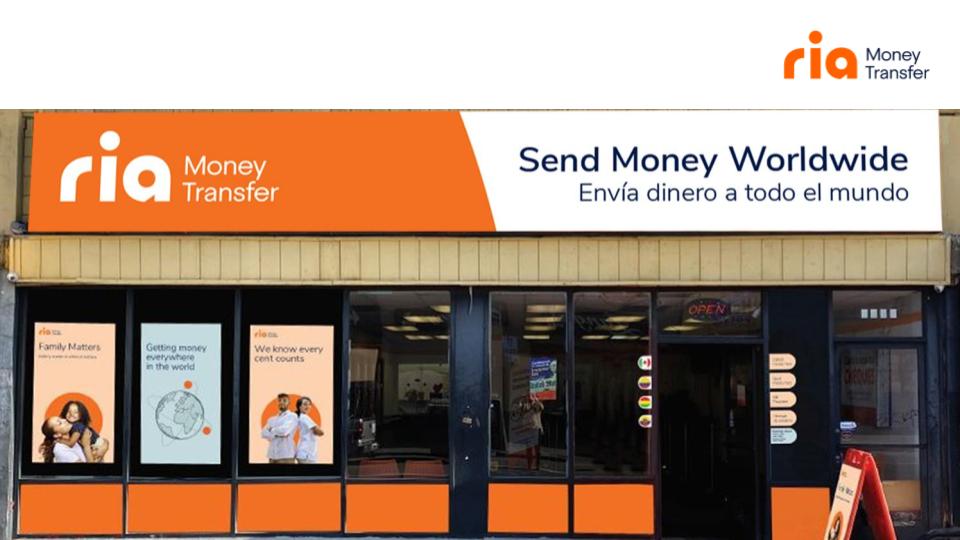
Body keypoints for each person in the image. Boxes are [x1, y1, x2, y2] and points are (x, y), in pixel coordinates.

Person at [261, 393, 298, 463]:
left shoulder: (292, 416)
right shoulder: (271, 419)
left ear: (289, 403)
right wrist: (278, 434)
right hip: (272, 455)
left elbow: (284, 431)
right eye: (279, 400)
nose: (281, 402)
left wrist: (271, 430)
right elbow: (263, 433)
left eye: (284, 400)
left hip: (286, 455)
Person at [294, 396, 324, 464]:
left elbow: (317, 431)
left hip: (303, 453)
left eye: (309, 404)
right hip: (306, 454)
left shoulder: (301, 417)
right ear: (299, 407)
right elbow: (321, 432)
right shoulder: (305, 417)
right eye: (305, 404)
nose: (307, 406)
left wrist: (315, 429)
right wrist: (315, 429)